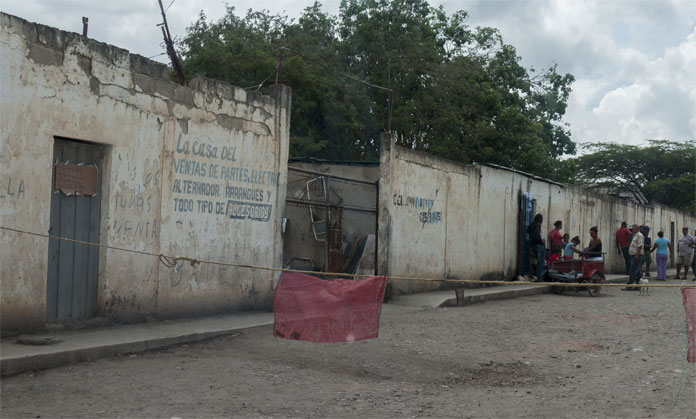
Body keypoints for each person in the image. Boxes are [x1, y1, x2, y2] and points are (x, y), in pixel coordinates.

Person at [622, 224, 644, 291]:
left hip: (636, 255)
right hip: (633, 255)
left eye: (634, 229)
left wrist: (637, 254)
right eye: (632, 229)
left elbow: (640, 246)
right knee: (637, 271)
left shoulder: (639, 236)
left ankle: (630, 285)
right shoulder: (634, 236)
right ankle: (637, 285)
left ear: (637, 229)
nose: (632, 230)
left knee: (632, 271)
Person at [527, 213, 545, 281]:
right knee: (541, 263)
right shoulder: (538, 225)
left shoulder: (531, 225)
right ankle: (539, 278)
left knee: (535, 262)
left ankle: (535, 276)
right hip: (539, 245)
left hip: (533, 245)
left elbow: (528, 232)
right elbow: (537, 234)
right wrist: (541, 241)